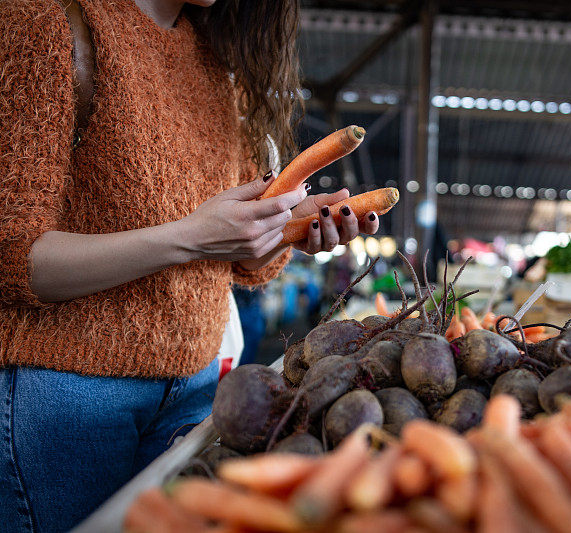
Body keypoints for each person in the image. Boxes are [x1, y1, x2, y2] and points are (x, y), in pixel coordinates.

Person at [0, 1, 381, 531]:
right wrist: (190, 239)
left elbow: (242, 264)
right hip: (68, 394)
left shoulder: (218, 64)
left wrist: (285, 232)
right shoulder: (43, 19)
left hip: (198, 388)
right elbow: (14, 256)